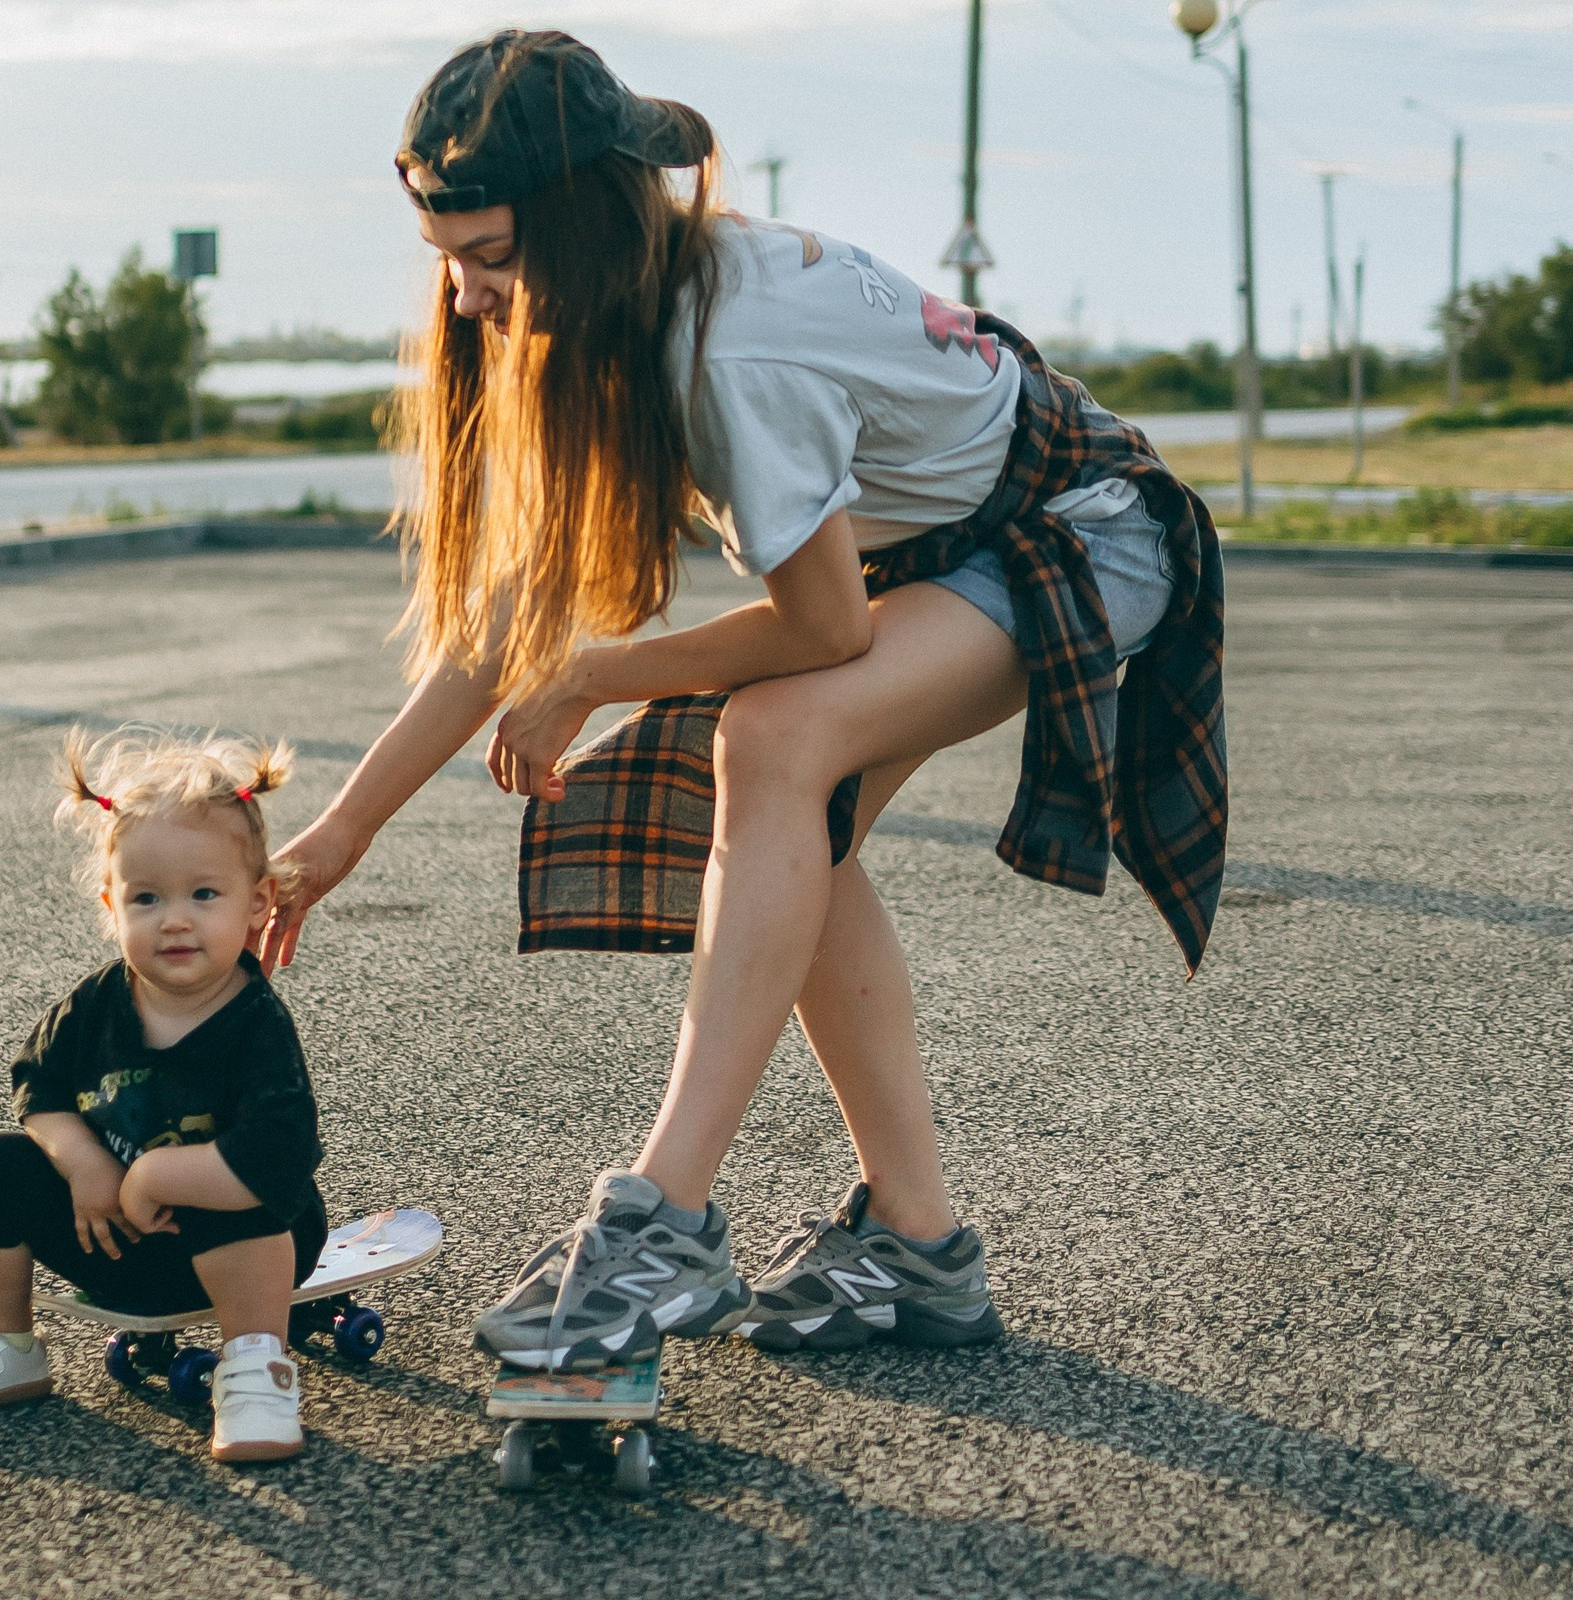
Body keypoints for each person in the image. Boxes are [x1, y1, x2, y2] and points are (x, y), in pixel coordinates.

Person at [264, 30, 1226, 1373]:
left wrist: (591, 676)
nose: (469, 300)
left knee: (773, 741)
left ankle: (664, 1218)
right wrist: (340, 835)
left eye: (493, 259)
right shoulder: (635, 301)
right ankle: (918, 1243)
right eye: (449, 263)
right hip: (952, 546)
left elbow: (824, 630)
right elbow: (513, 619)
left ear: (586, 224)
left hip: (1084, 534)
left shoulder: (725, 349)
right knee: (799, 827)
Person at [0, 729, 328, 1463]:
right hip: (113, 1234)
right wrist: (85, 1164)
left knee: (243, 1200)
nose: (174, 918)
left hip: (247, 1251)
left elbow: (274, 1156)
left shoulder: (253, 1024)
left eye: (204, 894)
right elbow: (40, 1086)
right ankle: (3, 1344)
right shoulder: (95, 1006)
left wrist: (155, 1175)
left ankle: (255, 1364)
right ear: (111, 906)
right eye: (145, 897)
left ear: (258, 902)